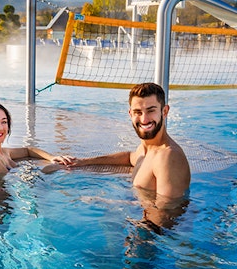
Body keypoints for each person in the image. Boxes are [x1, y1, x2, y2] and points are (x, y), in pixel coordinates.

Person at [53, 82, 191, 201]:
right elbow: (129, 157)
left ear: (165, 111)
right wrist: (83, 162)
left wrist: (106, 203)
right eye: (138, 112)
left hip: (149, 229)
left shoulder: (168, 157)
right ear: (130, 114)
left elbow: (167, 213)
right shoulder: (145, 149)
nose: (144, 119)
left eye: (151, 111)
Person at [0, 101, 74, 177]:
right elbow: (14, 183)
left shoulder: (2, 152)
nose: (0, 128)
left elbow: (27, 150)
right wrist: (52, 168)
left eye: (4, 122)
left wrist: (52, 158)